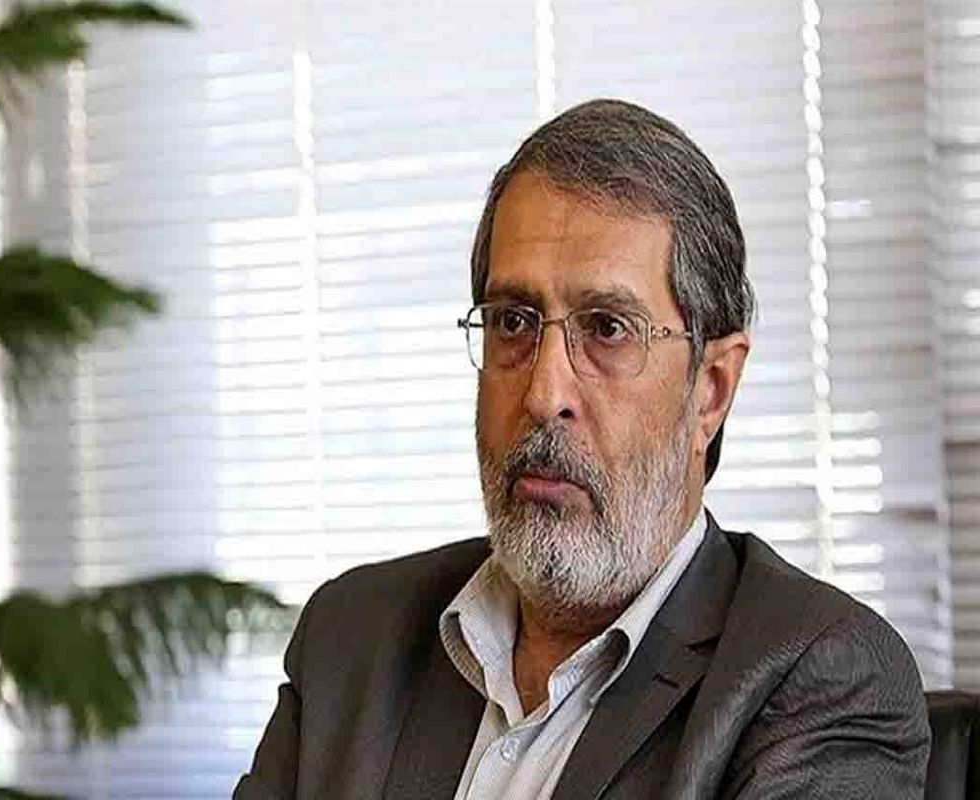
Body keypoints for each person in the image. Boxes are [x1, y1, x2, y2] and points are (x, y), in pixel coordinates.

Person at [234, 99, 930, 799]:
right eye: (513, 322)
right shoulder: (352, 640)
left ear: (711, 391)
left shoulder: (822, 680)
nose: (544, 394)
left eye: (607, 329)